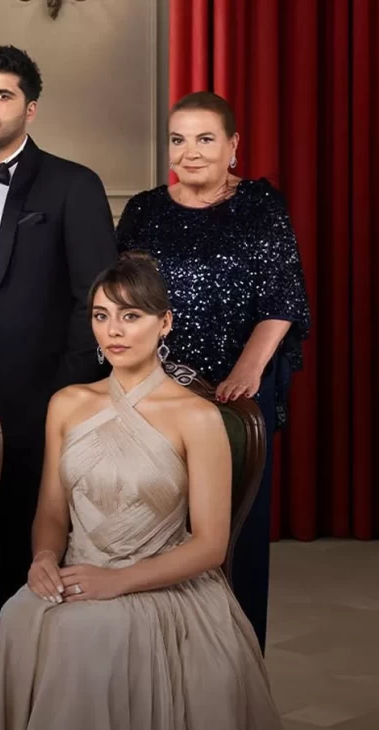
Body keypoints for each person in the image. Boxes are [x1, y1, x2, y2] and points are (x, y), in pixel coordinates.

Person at [0, 253, 282, 730]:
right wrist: (45, 558)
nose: (113, 330)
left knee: (91, 630)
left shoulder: (197, 417)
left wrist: (116, 581)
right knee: (17, 614)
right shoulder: (67, 404)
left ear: (165, 323)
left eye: (130, 316)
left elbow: (210, 545)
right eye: (102, 315)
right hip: (79, 574)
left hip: (162, 585)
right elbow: (51, 512)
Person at [0, 45, 118, 602]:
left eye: (3, 96)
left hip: (40, 383)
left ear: (29, 109)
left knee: (24, 520)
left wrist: (68, 384)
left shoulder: (72, 183)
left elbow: (94, 296)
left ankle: (20, 633)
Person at [117, 91, 310, 649]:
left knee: (231, 531)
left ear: (232, 145)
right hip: (155, 388)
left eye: (205, 139)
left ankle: (233, 655)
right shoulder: (144, 210)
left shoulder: (260, 206)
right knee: (156, 522)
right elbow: (125, 302)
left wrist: (247, 372)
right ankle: (161, 653)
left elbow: (282, 299)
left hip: (236, 389)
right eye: (178, 140)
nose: (191, 152)